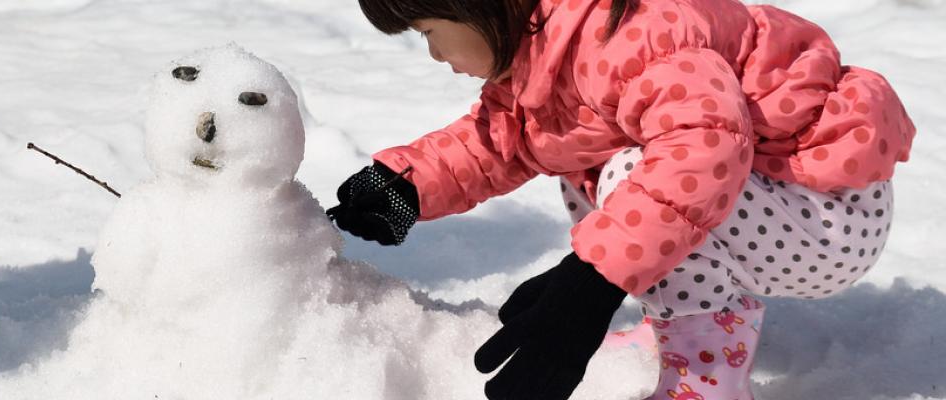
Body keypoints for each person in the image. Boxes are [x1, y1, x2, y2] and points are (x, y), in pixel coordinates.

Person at [324, 0, 917, 398]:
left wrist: (593, 282)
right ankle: (682, 318)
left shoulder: (632, 31)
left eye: (428, 31)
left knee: (637, 171)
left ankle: (705, 370)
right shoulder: (552, 46)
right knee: (591, 160)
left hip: (828, 217)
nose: (432, 54)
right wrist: (406, 183)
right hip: (772, 203)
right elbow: (507, 143)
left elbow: (703, 152)